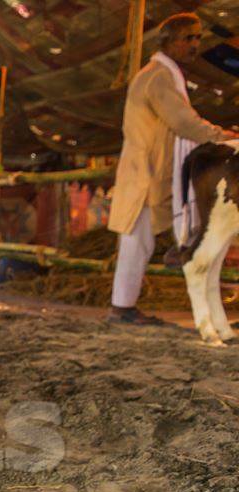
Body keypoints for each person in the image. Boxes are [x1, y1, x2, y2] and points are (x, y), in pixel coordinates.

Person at [107, 12, 239, 325]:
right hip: (145, 171)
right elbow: (183, 122)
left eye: (197, 38)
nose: (195, 44)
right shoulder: (157, 77)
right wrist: (224, 136)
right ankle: (122, 308)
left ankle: (126, 304)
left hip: (155, 169)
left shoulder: (164, 75)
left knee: (144, 238)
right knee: (138, 238)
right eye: (187, 38)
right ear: (168, 42)